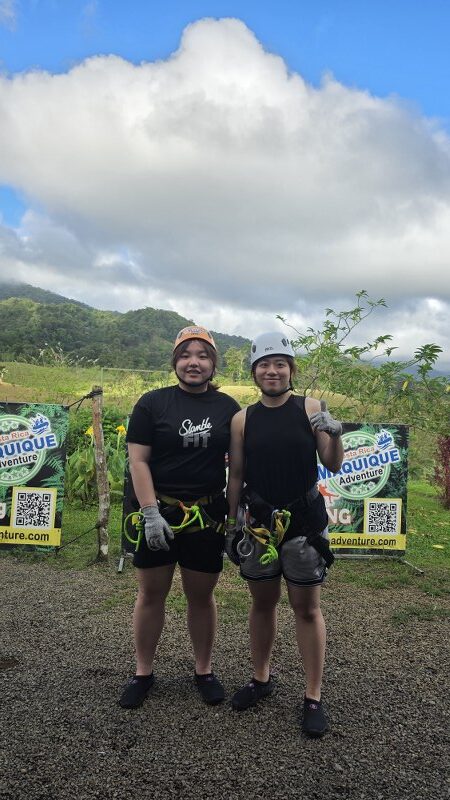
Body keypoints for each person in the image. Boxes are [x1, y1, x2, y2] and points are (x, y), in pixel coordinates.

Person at [226, 332, 344, 736]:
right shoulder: (243, 418)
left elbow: (331, 462)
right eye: (264, 365)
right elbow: (237, 474)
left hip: (303, 522)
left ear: (291, 370)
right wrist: (231, 523)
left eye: (280, 364)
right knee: (262, 603)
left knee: (306, 607)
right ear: (255, 372)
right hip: (258, 523)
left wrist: (336, 433)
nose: (271, 371)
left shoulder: (310, 408)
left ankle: (313, 695)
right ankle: (261, 678)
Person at [119, 325, 240, 709]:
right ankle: (143, 672)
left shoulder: (227, 409)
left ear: (213, 364)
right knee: (151, 593)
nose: (194, 362)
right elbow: (138, 460)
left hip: (207, 514)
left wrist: (236, 519)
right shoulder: (153, 403)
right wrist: (150, 511)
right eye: (186, 355)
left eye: (203, 356)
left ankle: (203, 670)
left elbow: (243, 462)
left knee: (201, 597)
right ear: (175, 361)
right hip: (160, 509)